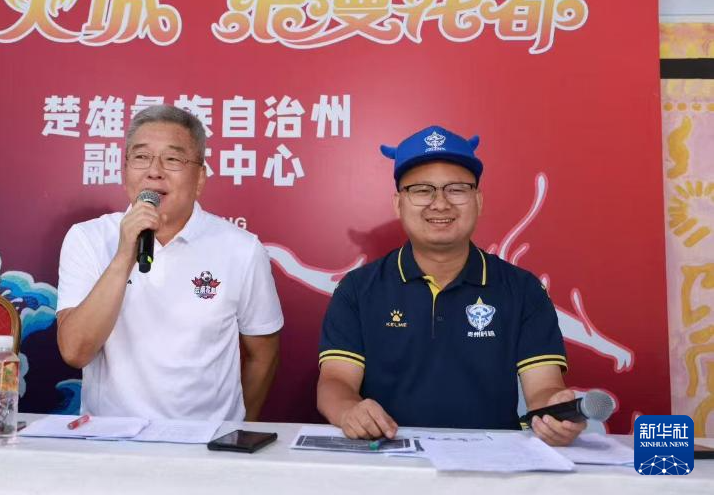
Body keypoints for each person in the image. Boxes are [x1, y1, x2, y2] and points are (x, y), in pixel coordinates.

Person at [317, 125, 585, 446]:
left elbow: (543, 387)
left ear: (478, 201)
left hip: (492, 460)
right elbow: (335, 381)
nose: (440, 204)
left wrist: (554, 411)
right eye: (422, 190)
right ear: (398, 203)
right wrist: (349, 410)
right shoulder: (359, 289)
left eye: (457, 189)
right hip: (389, 455)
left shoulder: (523, 289)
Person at [57, 104, 283, 421]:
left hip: (205, 443)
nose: (154, 170)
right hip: (111, 440)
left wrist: (234, 432)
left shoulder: (241, 249)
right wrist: (124, 255)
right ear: (124, 172)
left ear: (200, 178)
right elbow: (75, 352)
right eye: (141, 157)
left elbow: (263, 354)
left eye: (173, 159)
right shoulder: (87, 239)